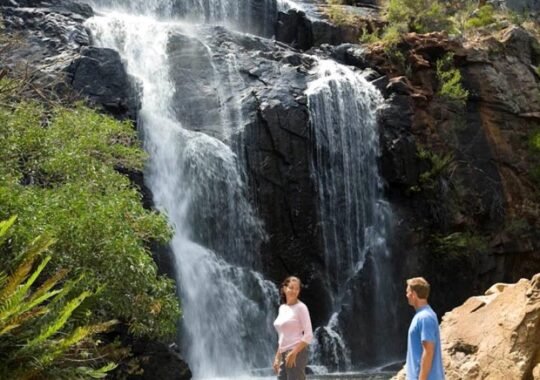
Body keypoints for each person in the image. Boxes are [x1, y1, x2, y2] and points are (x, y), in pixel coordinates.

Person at [272, 276, 313, 380]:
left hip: (297, 352)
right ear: (285, 288)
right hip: (284, 353)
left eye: (297, 288)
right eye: (291, 287)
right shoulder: (282, 308)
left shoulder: (301, 307)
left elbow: (308, 335)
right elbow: (282, 336)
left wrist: (294, 352)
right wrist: (277, 356)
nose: (294, 291)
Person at [405, 277, 445, 380]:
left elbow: (428, 351)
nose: (406, 295)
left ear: (413, 294)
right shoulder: (423, 315)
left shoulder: (425, 317)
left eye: (407, 292)